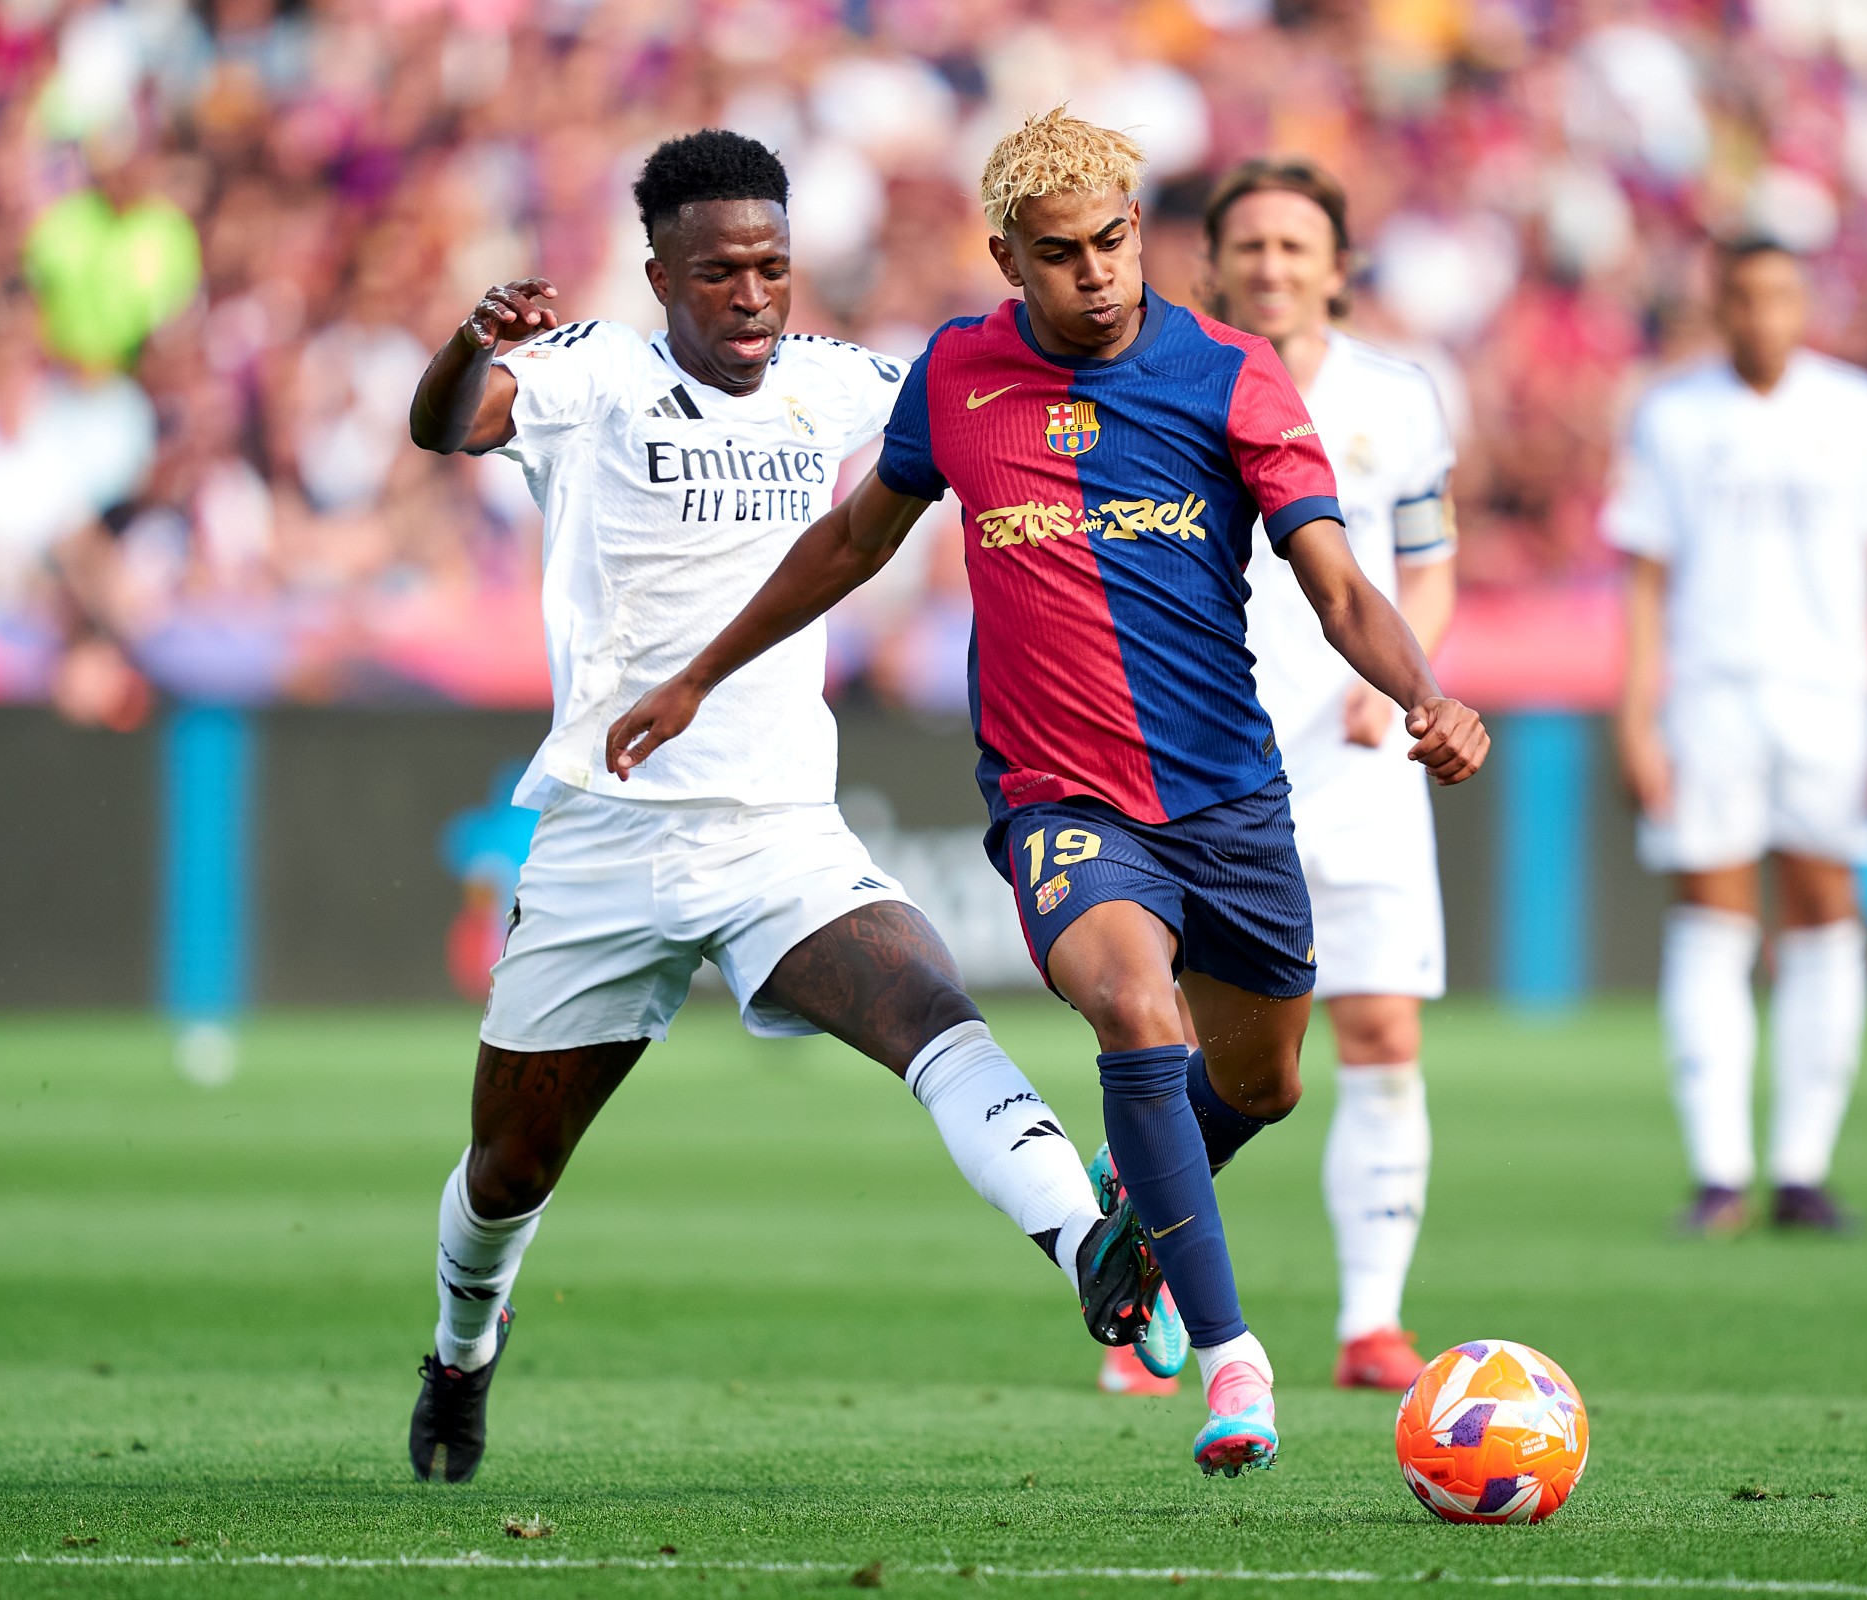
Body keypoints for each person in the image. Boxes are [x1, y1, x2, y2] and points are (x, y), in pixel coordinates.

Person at [605, 109, 1491, 1477]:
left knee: (1261, 1084)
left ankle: (1131, 1200)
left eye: (1114, 242)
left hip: (1228, 801)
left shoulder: (1234, 376)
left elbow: (1336, 583)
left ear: (1139, 233)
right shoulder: (959, 374)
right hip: (1061, 797)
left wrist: (1426, 691)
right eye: (1062, 252)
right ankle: (1231, 1362)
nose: (1096, 273)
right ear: (1007, 258)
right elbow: (852, 542)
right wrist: (698, 676)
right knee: (1135, 1011)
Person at [399, 129, 1175, 1486]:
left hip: (777, 837)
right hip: (606, 837)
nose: (753, 295)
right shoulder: (591, 374)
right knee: (510, 1167)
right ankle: (463, 1349)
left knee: (933, 1012)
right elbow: (446, 423)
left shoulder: (834, 382)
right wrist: (471, 343)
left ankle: (1083, 1241)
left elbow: (979, 407)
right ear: (661, 277)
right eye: (719, 273)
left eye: (772, 266)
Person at [1178, 157, 1457, 1395]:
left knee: (1382, 1031)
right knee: (1198, 1055)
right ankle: (1157, 1296)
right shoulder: (1175, 382)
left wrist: (1401, 677)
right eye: (1250, 245)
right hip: (1214, 769)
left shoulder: (1399, 397)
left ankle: (1371, 1321)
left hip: (1359, 765)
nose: (1272, 266)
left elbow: (1426, 563)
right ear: (1213, 264)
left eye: (1296, 245)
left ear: (1338, 267)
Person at [1603, 238, 1867, 1237]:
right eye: (1744, 296)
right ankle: (1719, 1170)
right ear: (1719, 305)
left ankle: (1801, 1167)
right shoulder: (1672, 413)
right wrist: (1638, 713)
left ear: (1805, 304)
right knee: (1713, 913)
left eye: (1782, 295)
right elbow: (1646, 581)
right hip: (1712, 694)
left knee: (1826, 907)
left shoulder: (1860, 411)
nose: (1763, 314)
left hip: (1831, 697)